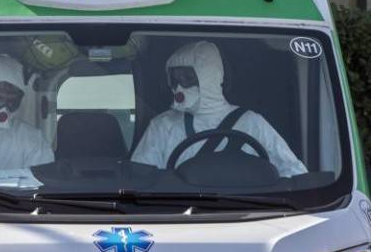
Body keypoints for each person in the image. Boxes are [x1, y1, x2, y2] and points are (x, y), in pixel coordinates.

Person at [131, 41, 307, 177]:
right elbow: (141, 180)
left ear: (209, 76)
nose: (179, 87)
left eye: (187, 77)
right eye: (175, 79)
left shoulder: (252, 123)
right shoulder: (163, 126)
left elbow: (293, 172)